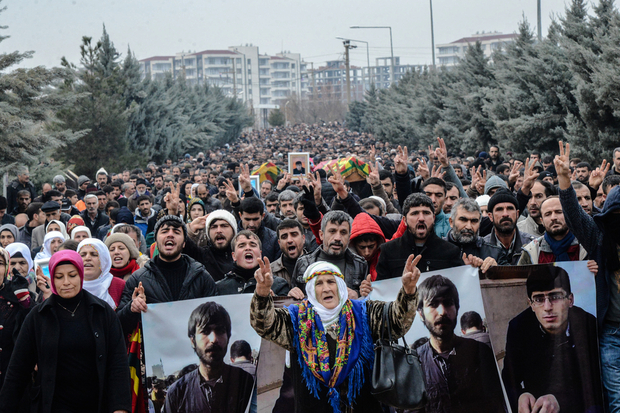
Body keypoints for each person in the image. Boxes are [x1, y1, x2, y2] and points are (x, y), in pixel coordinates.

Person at [251, 256, 421, 413]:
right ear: (311, 290)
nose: (326, 288)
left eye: (331, 281)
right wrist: (262, 293)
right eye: (319, 283)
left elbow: (397, 321)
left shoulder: (364, 312)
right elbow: (265, 325)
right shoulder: (297, 319)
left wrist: (408, 291)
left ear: (339, 286)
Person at [0, 249, 131, 413]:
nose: (66, 282)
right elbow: (18, 370)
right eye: (59, 277)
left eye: (72, 275)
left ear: (81, 275)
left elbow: (118, 364)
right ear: (52, 279)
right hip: (52, 405)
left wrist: (120, 408)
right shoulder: (38, 316)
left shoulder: (102, 312)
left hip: (96, 404)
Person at [502, 266, 603, 413]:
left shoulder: (587, 324)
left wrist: (561, 401)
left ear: (570, 300)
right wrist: (520, 396)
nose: (547, 307)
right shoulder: (518, 327)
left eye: (555, 297)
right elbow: (509, 379)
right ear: (531, 304)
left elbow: (595, 384)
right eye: (539, 299)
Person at [416, 274, 506, 413]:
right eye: (433, 304)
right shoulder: (414, 362)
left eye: (448, 303)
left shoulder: (480, 353)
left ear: (457, 308)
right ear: (421, 313)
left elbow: (497, 405)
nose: (442, 312)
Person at [117, 215, 218, 335]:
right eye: (164, 231)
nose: (170, 235)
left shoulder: (202, 277)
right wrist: (132, 309)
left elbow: (217, 319)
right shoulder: (138, 279)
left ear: (184, 243)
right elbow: (119, 326)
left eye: (176, 232)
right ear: (156, 241)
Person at [163, 302, 254, 413]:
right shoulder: (177, 393)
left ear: (228, 337)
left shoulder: (245, 382)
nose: (213, 339)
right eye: (205, 331)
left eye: (220, 331)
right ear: (193, 341)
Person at [376, 193, 463, 280]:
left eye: (426, 213)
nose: (421, 218)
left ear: (433, 218)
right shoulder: (388, 251)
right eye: (415, 213)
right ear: (405, 220)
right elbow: (383, 286)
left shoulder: (450, 251)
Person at [291, 210, 367, 298]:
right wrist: (292, 294)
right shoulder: (303, 263)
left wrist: (358, 296)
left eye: (343, 232)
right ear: (321, 235)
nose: (338, 238)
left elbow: (367, 299)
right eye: (332, 231)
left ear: (349, 237)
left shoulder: (360, 265)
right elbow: (294, 297)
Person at [0, 246, 34, 390]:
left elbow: (34, 329)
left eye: (0, 263)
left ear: (6, 268)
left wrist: (24, 299)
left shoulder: (16, 296)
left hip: (12, 380)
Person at [216, 230, 289, 296]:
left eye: (253, 245)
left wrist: (272, 298)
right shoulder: (220, 288)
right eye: (242, 246)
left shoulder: (279, 284)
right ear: (234, 256)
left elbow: (285, 306)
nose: (248, 248)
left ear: (260, 254)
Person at [75, 238, 126, 309]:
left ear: (104, 259)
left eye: (94, 254)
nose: (87, 258)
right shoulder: (72, 285)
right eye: (83, 255)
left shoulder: (119, 285)